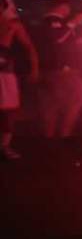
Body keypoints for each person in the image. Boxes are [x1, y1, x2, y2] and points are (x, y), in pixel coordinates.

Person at [32, 1, 82, 139]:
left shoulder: (45, 23)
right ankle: (64, 134)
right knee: (76, 98)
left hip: (50, 70)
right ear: (61, 6)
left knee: (51, 104)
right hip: (61, 71)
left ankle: (50, 138)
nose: (69, 10)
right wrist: (73, 23)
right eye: (67, 6)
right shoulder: (53, 21)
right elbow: (57, 38)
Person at [0, 8, 40, 159]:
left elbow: (29, 46)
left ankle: (4, 145)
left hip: (5, 70)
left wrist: (34, 67)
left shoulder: (12, 23)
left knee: (8, 110)